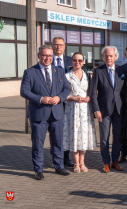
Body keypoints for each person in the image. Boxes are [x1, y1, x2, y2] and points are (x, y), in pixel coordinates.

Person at [20, 45, 71, 180]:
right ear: (39, 56)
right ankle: (38, 169)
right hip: (38, 114)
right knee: (38, 143)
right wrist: (41, 99)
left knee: (58, 142)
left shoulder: (59, 71)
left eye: (49, 56)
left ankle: (59, 166)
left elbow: (66, 88)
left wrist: (59, 97)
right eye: (44, 55)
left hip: (56, 113)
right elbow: (24, 91)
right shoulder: (30, 72)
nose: (47, 58)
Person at [89, 46, 126, 173]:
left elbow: (125, 90)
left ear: (116, 57)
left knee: (117, 138)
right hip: (104, 110)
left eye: (111, 56)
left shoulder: (122, 70)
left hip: (119, 110)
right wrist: (96, 109)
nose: (108, 58)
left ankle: (115, 161)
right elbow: (93, 92)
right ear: (103, 57)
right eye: (106, 56)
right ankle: (106, 162)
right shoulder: (98, 71)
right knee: (104, 138)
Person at [63, 52, 97, 173]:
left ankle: (82, 162)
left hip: (85, 110)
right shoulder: (67, 76)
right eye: (75, 60)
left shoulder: (88, 75)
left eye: (80, 60)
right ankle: (76, 163)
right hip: (72, 109)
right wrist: (73, 98)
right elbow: (62, 95)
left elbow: (92, 91)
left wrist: (89, 98)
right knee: (74, 134)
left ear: (83, 62)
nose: (77, 63)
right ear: (71, 61)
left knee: (83, 135)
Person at [51, 36, 74, 167]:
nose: (58, 47)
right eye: (56, 45)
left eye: (60, 45)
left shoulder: (70, 61)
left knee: (66, 130)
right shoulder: (48, 61)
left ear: (64, 46)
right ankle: (56, 157)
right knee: (56, 131)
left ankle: (66, 158)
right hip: (55, 101)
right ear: (52, 46)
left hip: (69, 101)